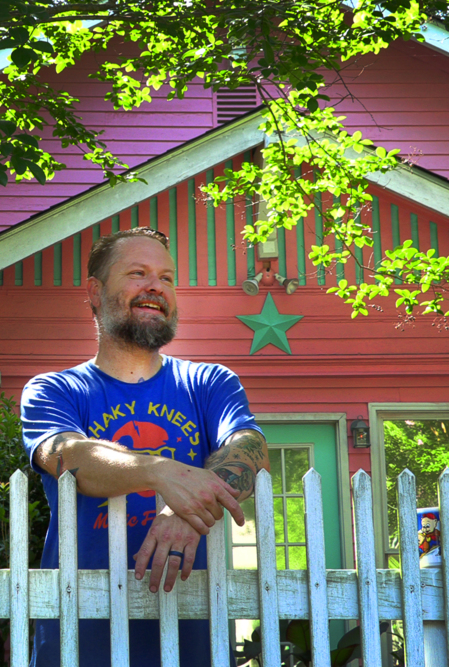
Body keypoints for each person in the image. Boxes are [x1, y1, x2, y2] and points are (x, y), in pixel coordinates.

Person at [21, 227, 270, 667]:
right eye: (138, 273)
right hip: (81, 636)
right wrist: (162, 473)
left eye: (167, 277)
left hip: (194, 632)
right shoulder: (54, 390)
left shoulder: (210, 383)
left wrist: (185, 508)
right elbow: (69, 457)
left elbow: (248, 447)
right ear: (95, 293)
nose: (156, 286)